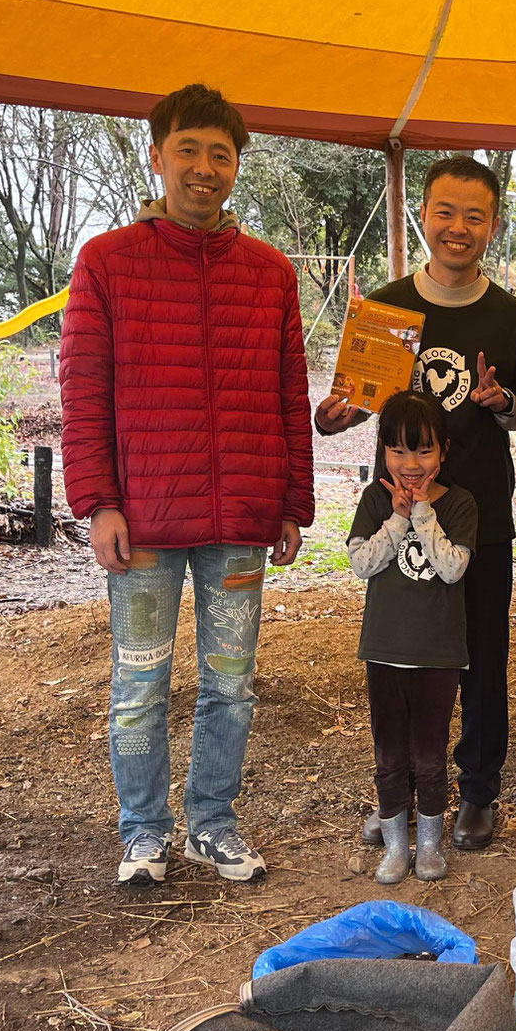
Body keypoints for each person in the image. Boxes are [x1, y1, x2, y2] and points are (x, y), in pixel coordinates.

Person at [62, 83, 313, 887]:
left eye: (221, 155)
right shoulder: (107, 262)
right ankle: (143, 831)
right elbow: (83, 389)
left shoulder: (270, 273)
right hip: (143, 520)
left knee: (231, 686)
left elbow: (288, 389)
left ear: (237, 164)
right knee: (139, 684)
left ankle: (211, 822)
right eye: (190, 151)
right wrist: (97, 501)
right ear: (158, 156)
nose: (205, 169)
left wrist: (290, 501)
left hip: (241, 516)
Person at [316, 156, 516, 852]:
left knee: (481, 658)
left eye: (475, 216)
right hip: (398, 517)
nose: (458, 229)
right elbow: (357, 406)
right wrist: (333, 416)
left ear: (493, 225)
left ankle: (477, 793)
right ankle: (402, 795)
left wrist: (502, 403)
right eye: (445, 212)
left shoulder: (511, 319)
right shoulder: (387, 308)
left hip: (479, 520)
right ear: (424, 215)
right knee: (403, 660)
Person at [346, 392, 478, 884]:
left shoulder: (460, 503)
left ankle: (429, 847)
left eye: (423, 451)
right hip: (384, 651)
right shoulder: (375, 500)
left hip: (438, 656)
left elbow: (451, 568)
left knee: (429, 753)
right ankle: (396, 846)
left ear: (442, 451)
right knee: (389, 755)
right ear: (383, 452)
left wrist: (422, 514)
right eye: (398, 451)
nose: (411, 464)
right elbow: (362, 563)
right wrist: (398, 517)